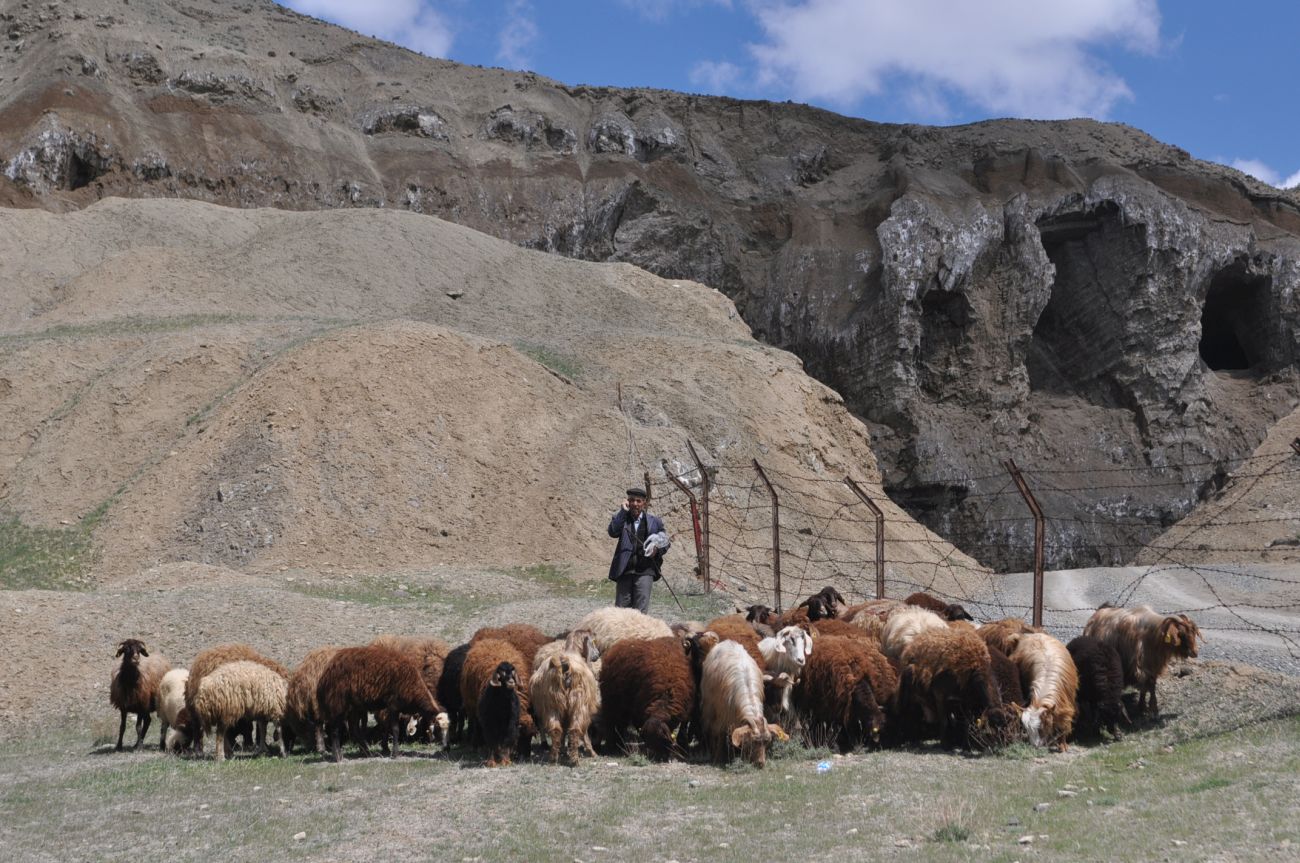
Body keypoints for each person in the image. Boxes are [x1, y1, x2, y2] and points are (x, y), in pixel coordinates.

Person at [607, 487, 668, 613]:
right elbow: (613, 532)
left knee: (640, 612)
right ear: (627, 502)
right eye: (632, 500)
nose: (635, 504)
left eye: (638, 501)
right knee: (621, 611)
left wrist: (657, 549)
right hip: (625, 570)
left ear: (644, 503)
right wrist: (622, 512)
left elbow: (665, 542)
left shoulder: (654, 522)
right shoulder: (622, 518)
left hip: (645, 571)